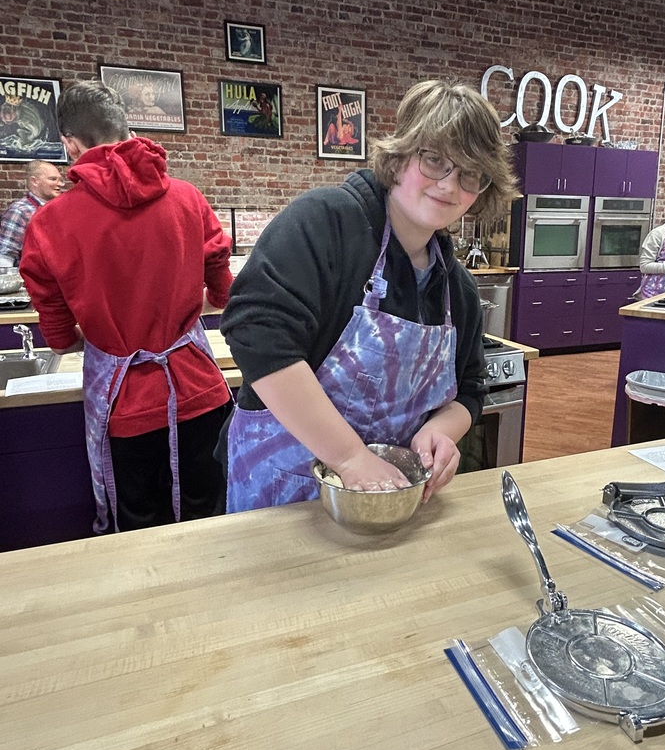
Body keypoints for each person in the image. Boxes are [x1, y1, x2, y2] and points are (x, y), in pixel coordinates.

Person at [220, 78, 519, 513]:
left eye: (470, 174)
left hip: (387, 504)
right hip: (282, 500)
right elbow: (258, 336)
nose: (450, 187)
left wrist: (443, 429)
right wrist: (349, 457)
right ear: (399, 158)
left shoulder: (458, 289)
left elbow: (470, 389)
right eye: (434, 160)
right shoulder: (325, 223)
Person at [20, 80, 234, 533]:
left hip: (126, 404)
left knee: (141, 531)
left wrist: (68, 339)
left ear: (70, 144)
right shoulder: (186, 197)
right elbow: (219, 269)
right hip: (199, 391)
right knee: (213, 521)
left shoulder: (50, 223)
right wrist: (214, 297)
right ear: (126, 129)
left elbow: (51, 312)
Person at [0, 161, 64, 267]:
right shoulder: (20, 212)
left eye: (60, 180)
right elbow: (5, 258)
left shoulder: (60, 209)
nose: (60, 184)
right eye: (53, 179)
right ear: (35, 181)